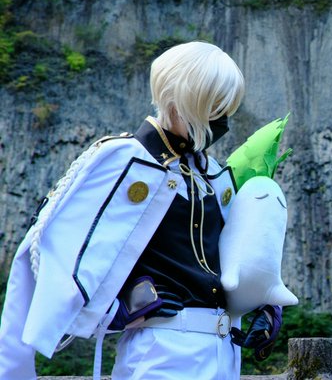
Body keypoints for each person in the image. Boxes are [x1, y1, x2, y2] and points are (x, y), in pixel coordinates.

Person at [0, 41, 282, 380]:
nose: (222, 121)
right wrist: (112, 311)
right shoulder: (124, 160)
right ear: (182, 100)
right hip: (161, 350)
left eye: (226, 109)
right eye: (214, 108)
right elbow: (48, 248)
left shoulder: (214, 176)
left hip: (224, 353)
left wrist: (265, 303)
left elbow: (237, 256)